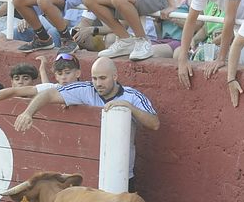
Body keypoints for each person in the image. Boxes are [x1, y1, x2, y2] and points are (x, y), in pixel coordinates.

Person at [13, 56, 158, 191]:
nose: (98, 83)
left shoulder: (132, 96)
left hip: (121, 172)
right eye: (94, 78)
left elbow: (154, 123)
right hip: (86, 170)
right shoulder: (85, 89)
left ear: (115, 76)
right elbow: (49, 94)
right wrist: (28, 112)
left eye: (103, 78)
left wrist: (129, 107)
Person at [0, 51, 82, 112]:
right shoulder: (53, 88)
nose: (63, 78)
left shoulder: (86, 89)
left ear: (77, 73)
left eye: (67, 73)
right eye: (60, 74)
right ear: (56, 76)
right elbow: (14, 92)